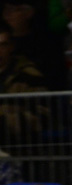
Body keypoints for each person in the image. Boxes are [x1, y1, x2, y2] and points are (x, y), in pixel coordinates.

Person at [0, 22, 48, 154]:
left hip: (21, 149)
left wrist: (4, 123)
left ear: (11, 46)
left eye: (3, 45)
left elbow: (42, 113)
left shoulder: (29, 74)